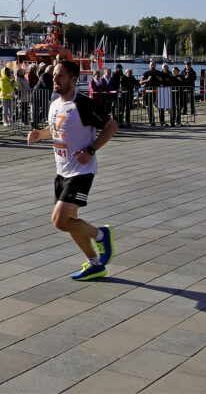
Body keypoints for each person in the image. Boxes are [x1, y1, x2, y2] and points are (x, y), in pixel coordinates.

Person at [27, 60, 118, 281]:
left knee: (60, 220)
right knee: (71, 223)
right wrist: (40, 134)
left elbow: (111, 126)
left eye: (60, 76)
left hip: (81, 171)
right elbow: (57, 127)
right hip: (62, 171)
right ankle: (95, 264)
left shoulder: (83, 104)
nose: (55, 80)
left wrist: (91, 149)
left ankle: (102, 235)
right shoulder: (55, 103)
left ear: (73, 79)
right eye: (54, 76)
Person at [139, 60, 164, 126]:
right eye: (151, 65)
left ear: (155, 65)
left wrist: (160, 79)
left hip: (157, 92)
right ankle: (152, 121)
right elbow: (141, 82)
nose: (152, 66)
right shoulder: (146, 73)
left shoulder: (159, 73)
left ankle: (162, 121)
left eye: (153, 65)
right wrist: (147, 80)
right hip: (148, 92)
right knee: (149, 107)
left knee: (160, 106)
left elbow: (164, 81)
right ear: (149, 66)